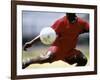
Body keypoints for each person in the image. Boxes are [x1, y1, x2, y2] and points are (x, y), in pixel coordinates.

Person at [23, 13, 89, 69]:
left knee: (83, 60)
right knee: (47, 58)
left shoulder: (81, 23)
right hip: (58, 48)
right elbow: (45, 34)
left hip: (70, 51)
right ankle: (28, 61)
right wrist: (31, 42)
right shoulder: (61, 22)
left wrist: (82, 31)